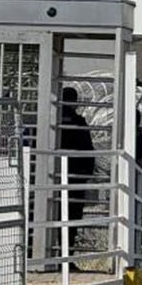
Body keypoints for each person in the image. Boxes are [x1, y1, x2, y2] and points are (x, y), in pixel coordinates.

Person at [58, 87, 97, 251]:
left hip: (51, 176)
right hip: (75, 177)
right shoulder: (79, 122)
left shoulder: (52, 119)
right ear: (75, 101)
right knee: (72, 216)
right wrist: (87, 174)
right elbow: (88, 151)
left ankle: (44, 251)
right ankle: (66, 253)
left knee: (51, 214)